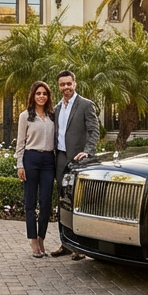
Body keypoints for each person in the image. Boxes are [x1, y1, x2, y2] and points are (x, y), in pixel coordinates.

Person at [49, 70, 99, 259]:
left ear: (75, 84)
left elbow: (94, 131)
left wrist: (88, 151)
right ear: (59, 86)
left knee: (78, 203)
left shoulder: (86, 105)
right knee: (62, 202)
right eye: (62, 84)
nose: (66, 87)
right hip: (60, 159)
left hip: (78, 160)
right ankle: (65, 244)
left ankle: (81, 247)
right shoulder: (57, 108)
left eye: (69, 84)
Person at [15, 81, 56, 258]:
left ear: (48, 97)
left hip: (48, 160)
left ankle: (41, 238)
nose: (41, 96)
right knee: (30, 203)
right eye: (38, 93)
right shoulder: (25, 116)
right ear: (33, 96)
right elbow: (20, 142)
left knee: (46, 202)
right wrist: (20, 164)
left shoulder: (52, 115)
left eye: (44, 93)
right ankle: (32, 240)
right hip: (30, 158)